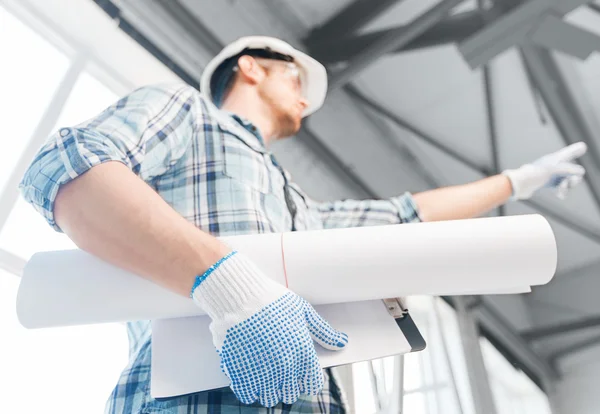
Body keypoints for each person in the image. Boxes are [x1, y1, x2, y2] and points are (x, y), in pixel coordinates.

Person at [18, 36, 586, 414]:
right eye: (294, 77)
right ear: (250, 67)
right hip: (193, 398)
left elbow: (407, 217)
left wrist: (517, 181)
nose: (304, 98)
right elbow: (68, 169)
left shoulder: (301, 211)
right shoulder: (186, 112)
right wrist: (230, 288)